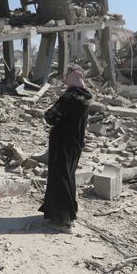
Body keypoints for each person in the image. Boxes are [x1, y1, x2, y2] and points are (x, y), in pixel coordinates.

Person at [39, 64, 92, 233]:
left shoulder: (70, 96)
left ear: (74, 75)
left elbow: (51, 117)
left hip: (62, 143)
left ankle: (64, 221)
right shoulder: (85, 96)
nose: (64, 79)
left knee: (60, 178)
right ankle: (66, 215)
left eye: (66, 75)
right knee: (68, 177)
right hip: (75, 143)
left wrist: (49, 110)